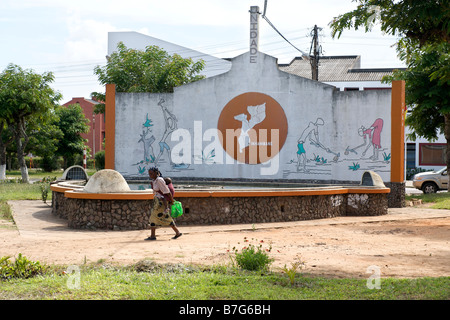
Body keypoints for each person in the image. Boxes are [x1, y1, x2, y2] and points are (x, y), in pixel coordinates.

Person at [145, 167, 182, 240]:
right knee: (164, 217)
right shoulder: (155, 180)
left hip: (161, 203)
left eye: (152, 173)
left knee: (154, 217)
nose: (150, 175)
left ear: (156, 173)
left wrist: (171, 201)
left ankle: (153, 236)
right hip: (158, 202)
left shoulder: (159, 180)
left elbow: (167, 191)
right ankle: (177, 232)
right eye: (149, 174)